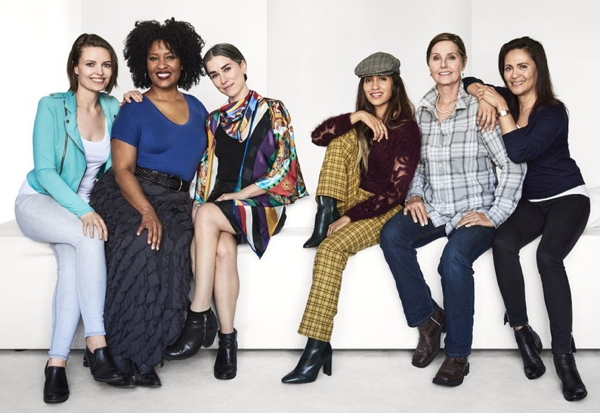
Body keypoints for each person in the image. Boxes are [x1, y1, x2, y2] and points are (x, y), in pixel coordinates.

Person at [379, 33, 526, 387]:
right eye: (436, 58)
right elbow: (414, 165)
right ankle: (428, 320)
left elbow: (513, 165)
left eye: (451, 57)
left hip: (474, 209)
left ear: (463, 63)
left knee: (453, 259)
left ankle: (458, 354)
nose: (443, 64)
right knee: (392, 235)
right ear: (429, 66)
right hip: (435, 205)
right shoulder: (422, 111)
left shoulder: (480, 108)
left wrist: (494, 214)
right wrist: (414, 196)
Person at [161, 43, 307, 380]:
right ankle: (227, 340)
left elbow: (284, 165)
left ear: (243, 66)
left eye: (227, 69)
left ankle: (197, 315)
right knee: (222, 249)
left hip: (261, 201)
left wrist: (240, 195)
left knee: (208, 215)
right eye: (214, 75)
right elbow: (205, 169)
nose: (222, 79)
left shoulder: (272, 108)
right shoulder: (214, 120)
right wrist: (199, 203)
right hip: (222, 204)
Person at [281, 52, 421, 384]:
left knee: (329, 250)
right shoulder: (362, 120)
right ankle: (326, 211)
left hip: (381, 208)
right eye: (369, 80)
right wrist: (357, 116)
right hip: (350, 195)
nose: (375, 86)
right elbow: (318, 137)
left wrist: (352, 217)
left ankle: (316, 348)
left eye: (382, 79)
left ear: (395, 84)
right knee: (340, 136)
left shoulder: (406, 130)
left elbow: (396, 192)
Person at [465, 36, 590, 401]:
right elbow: (470, 80)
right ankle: (522, 332)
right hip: (531, 201)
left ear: (538, 69)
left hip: (567, 196)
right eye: (508, 68)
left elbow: (520, 151)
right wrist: (482, 93)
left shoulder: (553, 112)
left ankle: (564, 357)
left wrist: (501, 107)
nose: (514, 74)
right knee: (502, 243)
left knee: (547, 256)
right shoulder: (506, 95)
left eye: (523, 66)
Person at [89, 19, 208, 388]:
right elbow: (122, 169)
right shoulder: (135, 108)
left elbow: (214, 163)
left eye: (169, 56)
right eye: (154, 58)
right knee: (140, 242)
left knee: (171, 248)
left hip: (175, 200)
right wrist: (146, 210)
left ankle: (148, 352)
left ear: (183, 62)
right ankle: (122, 354)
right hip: (129, 193)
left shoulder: (198, 108)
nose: (162, 64)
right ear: (144, 63)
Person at [14, 34, 123, 403]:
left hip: (81, 209)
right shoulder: (51, 106)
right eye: (90, 63)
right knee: (89, 236)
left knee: (73, 264)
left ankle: (56, 364)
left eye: (106, 64)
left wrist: (137, 99)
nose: (99, 71)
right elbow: (45, 171)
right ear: (75, 67)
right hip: (40, 201)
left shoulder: (113, 108)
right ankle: (97, 342)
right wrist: (85, 211)